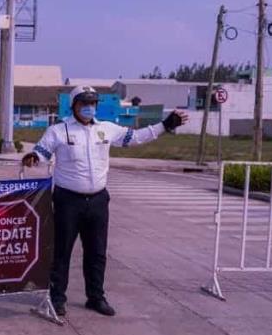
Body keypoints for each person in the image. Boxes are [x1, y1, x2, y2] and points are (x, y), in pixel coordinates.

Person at [23, 85, 188, 319]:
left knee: (97, 252)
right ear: (74, 106)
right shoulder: (58, 131)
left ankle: (96, 297)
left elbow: (135, 137)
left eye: (92, 104)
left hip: (98, 201)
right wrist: (33, 158)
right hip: (67, 201)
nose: (89, 108)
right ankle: (57, 298)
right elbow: (41, 151)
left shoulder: (107, 129)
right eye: (83, 103)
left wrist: (164, 125)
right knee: (62, 252)